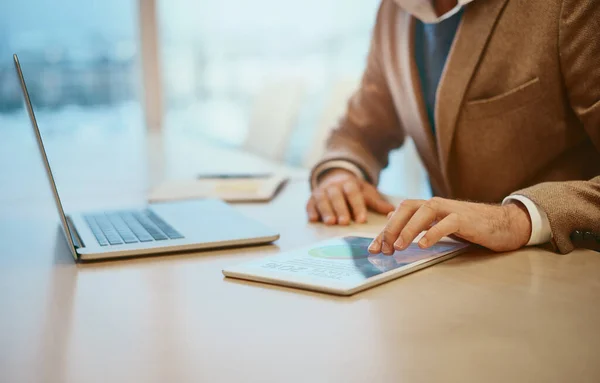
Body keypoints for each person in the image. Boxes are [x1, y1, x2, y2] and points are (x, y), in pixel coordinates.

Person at [306, 0, 600, 254]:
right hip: (453, 273)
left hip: (565, 274)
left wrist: (516, 219)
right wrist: (339, 175)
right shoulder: (395, 11)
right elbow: (359, 132)